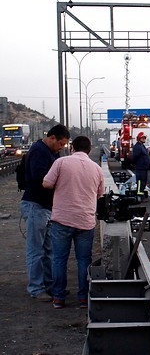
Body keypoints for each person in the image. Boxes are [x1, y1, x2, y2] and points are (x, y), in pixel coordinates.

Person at [42, 136, 104, 309]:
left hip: (62, 219)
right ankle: (83, 298)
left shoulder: (61, 163)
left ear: (72, 148)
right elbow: (100, 193)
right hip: (85, 220)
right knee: (84, 259)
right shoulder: (97, 169)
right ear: (89, 150)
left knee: (59, 259)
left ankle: (59, 298)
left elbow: (46, 183)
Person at [21, 124, 70, 301]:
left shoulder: (51, 152)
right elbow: (40, 177)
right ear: (52, 138)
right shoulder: (39, 151)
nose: (62, 148)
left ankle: (50, 285)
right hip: (36, 205)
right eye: (61, 144)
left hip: (47, 207)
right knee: (36, 249)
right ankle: (36, 288)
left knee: (49, 249)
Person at [131, 132, 150, 196]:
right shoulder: (137, 147)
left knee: (144, 181)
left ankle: (142, 193)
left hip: (144, 168)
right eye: (143, 138)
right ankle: (139, 194)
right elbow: (135, 157)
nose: (144, 139)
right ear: (139, 138)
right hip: (140, 167)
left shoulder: (142, 146)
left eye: (145, 138)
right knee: (140, 181)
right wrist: (135, 164)